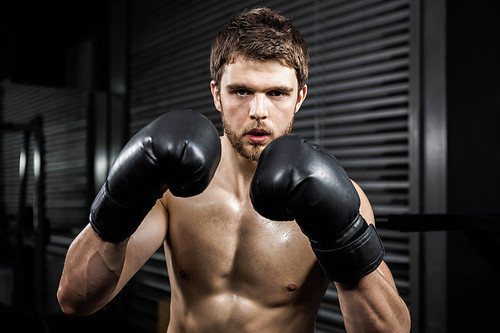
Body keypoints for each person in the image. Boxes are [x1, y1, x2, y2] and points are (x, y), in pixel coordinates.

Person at [57, 7, 411, 332]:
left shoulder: (336, 196)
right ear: (216, 95)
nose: (259, 110)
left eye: (277, 93)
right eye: (241, 91)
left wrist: (344, 237)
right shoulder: (171, 190)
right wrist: (119, 199)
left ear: (300, 97)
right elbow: (75, 299)